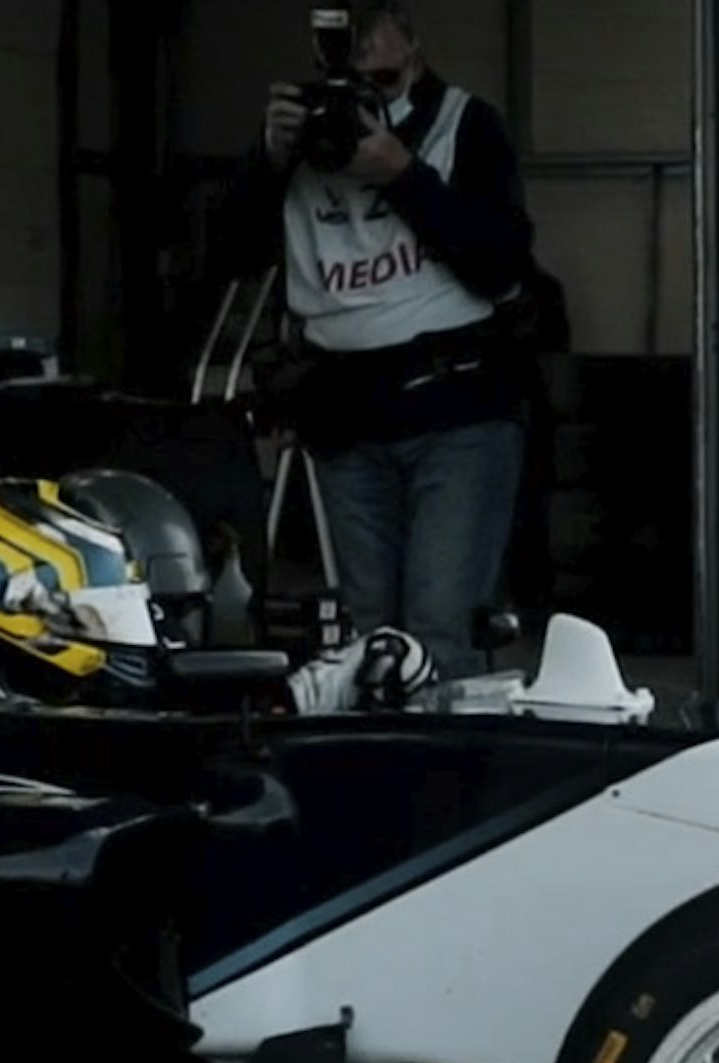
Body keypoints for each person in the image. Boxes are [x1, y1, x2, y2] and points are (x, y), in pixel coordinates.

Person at [212, 2, 539, 676]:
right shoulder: (302, 139)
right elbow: (225, 258)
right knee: (367, 634)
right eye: (345, 77)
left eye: (379, 87)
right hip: (345, 414)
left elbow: (502, 267)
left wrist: (404, 175)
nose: (358, 116)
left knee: (440, 625)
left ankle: (449, 772)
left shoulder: (463, 125)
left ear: (414, 47)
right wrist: (267, 160)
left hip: (457, 405)